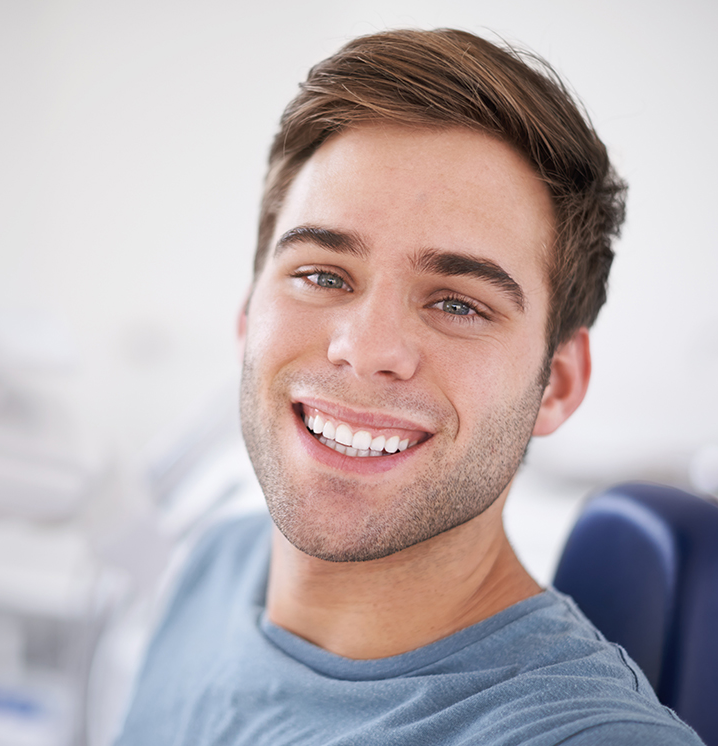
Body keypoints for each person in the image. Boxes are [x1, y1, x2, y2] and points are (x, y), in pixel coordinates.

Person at [116, 28, 705, 745]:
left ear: (557, 384)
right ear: (248, 314)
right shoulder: (217, 564)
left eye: (458, 303)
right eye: (322, 275)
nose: (365, 350)